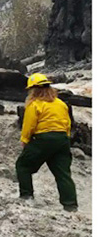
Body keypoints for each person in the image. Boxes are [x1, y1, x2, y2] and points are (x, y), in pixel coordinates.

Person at [16, 73, 78, 211]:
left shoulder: (35, 104)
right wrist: (65, 138)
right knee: (62, 173)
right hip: (62, 139)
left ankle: (27, 197)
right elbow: (67, 123)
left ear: (34, 90)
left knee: (23, 166)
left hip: (43, 139)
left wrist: (25, 140)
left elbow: (29, 124)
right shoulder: (61, 103)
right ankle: (70, 205)